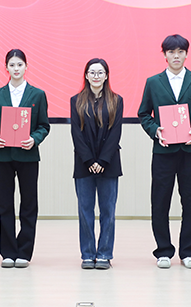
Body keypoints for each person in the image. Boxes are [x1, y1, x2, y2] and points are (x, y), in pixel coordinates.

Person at [137, 34, 191, 269]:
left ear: (187, 54)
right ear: (164, 55)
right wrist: (155, 131)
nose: (176, 56)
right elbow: (144, 114)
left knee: (190, 201)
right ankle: (163, 251)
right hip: (163, 151)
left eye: (180, 51)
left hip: (190, 151)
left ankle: (188, 252)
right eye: (171, 52)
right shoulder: (153, 82)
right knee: (160, 201)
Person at [0, 49, 50, 268]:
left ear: (26, 67)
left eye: (20, 65)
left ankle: (24, 251)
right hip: (3, 157)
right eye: (12, 65)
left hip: (28, 156)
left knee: (29, 204)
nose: (16, 69)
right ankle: (7, 252)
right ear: (6, 68)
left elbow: (44, 126)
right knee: (5, 204)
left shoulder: (37, 94)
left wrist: (35, 139)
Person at [70, 58, 123, 270]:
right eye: (92, 72)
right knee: (85, 211)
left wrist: (102, 160)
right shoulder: (76, 100)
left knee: (108, 211)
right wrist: (89, 160)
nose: (96, 76)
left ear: (106, 75)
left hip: (109, 164)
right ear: (86, 75)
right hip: (84, 164)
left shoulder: (116, 100)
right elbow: (76, 133)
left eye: (100, 72)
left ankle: (104, 254)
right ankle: (88, 254)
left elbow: (115, 133)